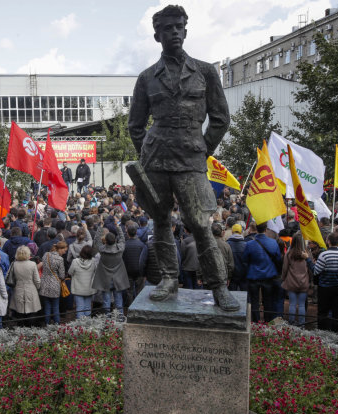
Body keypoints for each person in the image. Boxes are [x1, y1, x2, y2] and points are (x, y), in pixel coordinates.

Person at [127, 5, 237, 311]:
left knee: (201, 224)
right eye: (168, 28)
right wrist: (146, 154)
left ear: (185, 32)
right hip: (157, 159)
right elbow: (135, 125)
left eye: (179, 27)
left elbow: (220, 118)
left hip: (191, 157)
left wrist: (203, 148)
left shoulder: (205, 71)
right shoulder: (147, 77)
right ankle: (168, 279)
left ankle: (218, 287)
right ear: (157, 35)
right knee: (160, 220)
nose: (174, 32)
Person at [313, 233, 338, 334]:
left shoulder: (324, 255)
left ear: (328, 241)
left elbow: (316, 271)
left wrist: (312, 264)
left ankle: (322, 332)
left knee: (323, 311)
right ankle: (336, 333)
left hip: (324, 287)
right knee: (336, 311)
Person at [242, 222, 281, 322]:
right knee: (268, 301)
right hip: (268, 275)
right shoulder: (273, 243)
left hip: (254, 275)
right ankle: (268, 321)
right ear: (266, 230)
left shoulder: (249, 244)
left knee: (254, 301)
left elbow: (245, 259)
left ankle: (256, 322)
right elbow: (278, 259)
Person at [92, 224, 129, 318]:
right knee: (118, 300)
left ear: (106, 241)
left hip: (106, 279)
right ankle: (120, 319)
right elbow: (122, 239)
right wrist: (118, 227)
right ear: (114, 240)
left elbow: (96, 241)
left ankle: (107, 321)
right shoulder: (120, 249)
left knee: (106, 301)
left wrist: (100, 227)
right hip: (118, 279)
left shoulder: (102, 250)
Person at [281, 232, 312, 327]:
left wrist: (283, 278)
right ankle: (302, 324)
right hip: (304, 282)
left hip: (291, 281)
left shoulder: (289, 253)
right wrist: (310, 280)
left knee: (292, 304)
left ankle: (291, 323)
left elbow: (285, 268)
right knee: (302, 305)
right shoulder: (307, 253)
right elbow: (310, 269)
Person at [9, 245, 41, 325]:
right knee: (31, 312)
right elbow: (37, 280)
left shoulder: (14, 264)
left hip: (18, 289)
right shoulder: (32, 264)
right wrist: (38, 288)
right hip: (31, 289)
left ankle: (20, 330)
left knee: (19, 312)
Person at [41, 242, 68, 325]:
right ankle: (57, 324)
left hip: (44, 283)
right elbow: (62, 275)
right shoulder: (60, 259)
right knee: (55, 306)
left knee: (47, 306)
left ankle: (47, 323)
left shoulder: (46, 255)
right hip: (55, 285)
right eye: (64, 250)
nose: (65, 252)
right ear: (60, 249)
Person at [69, 245, 98, 318]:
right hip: (89, 288)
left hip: (78, 288)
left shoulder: (75, 261)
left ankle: (80, 326)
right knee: (88, 307)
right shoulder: (93, 261)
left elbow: (70, 272)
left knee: (80, 308)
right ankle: (87, 326)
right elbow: (96, 271)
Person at [122, 222, 148, 304]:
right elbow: (144, 259)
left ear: (127, 233)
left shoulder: (125, 245)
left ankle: (131, 307)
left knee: (129, 292)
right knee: (139, 291)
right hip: (139, 271)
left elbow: (122, 258)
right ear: (136, 232)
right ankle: (138, 306)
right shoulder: (141, 245)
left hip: (128, 271)